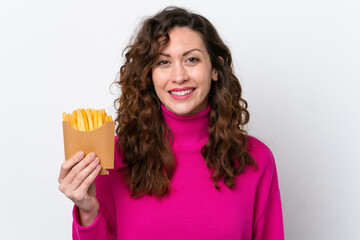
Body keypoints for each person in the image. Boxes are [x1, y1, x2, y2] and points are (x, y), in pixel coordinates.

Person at [58, 6, 284, 240]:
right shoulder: (112, 157)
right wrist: (87, 212)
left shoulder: (257, 159)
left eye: (192, 59)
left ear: (215, 68)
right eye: (163, 62)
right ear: (149, 74)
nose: (179, 76)